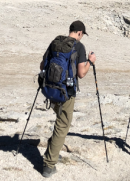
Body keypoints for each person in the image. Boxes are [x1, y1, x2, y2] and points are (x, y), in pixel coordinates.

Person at [41, 21, 96, 178]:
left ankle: (53, 151)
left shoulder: (56, 42)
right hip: (66, 92)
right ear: (79, 32)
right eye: (83, 34)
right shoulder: (78, 46)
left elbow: (41, 65)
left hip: (50, 89)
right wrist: (90, 62)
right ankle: (49, 165)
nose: (82, 37)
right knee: (63, 124)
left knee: (59, 121)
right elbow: (81, 73)